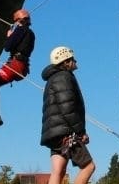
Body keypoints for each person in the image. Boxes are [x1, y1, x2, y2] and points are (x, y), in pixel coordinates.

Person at [41, 46, 95, 184]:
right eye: (72, 59)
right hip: (67, 132)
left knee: (58, 172)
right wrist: (81, 132)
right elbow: (67, 106)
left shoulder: (51, 79)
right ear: (65, 61)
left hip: (53, 133)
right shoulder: (64, 77)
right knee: (89, 167)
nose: (75, 61)